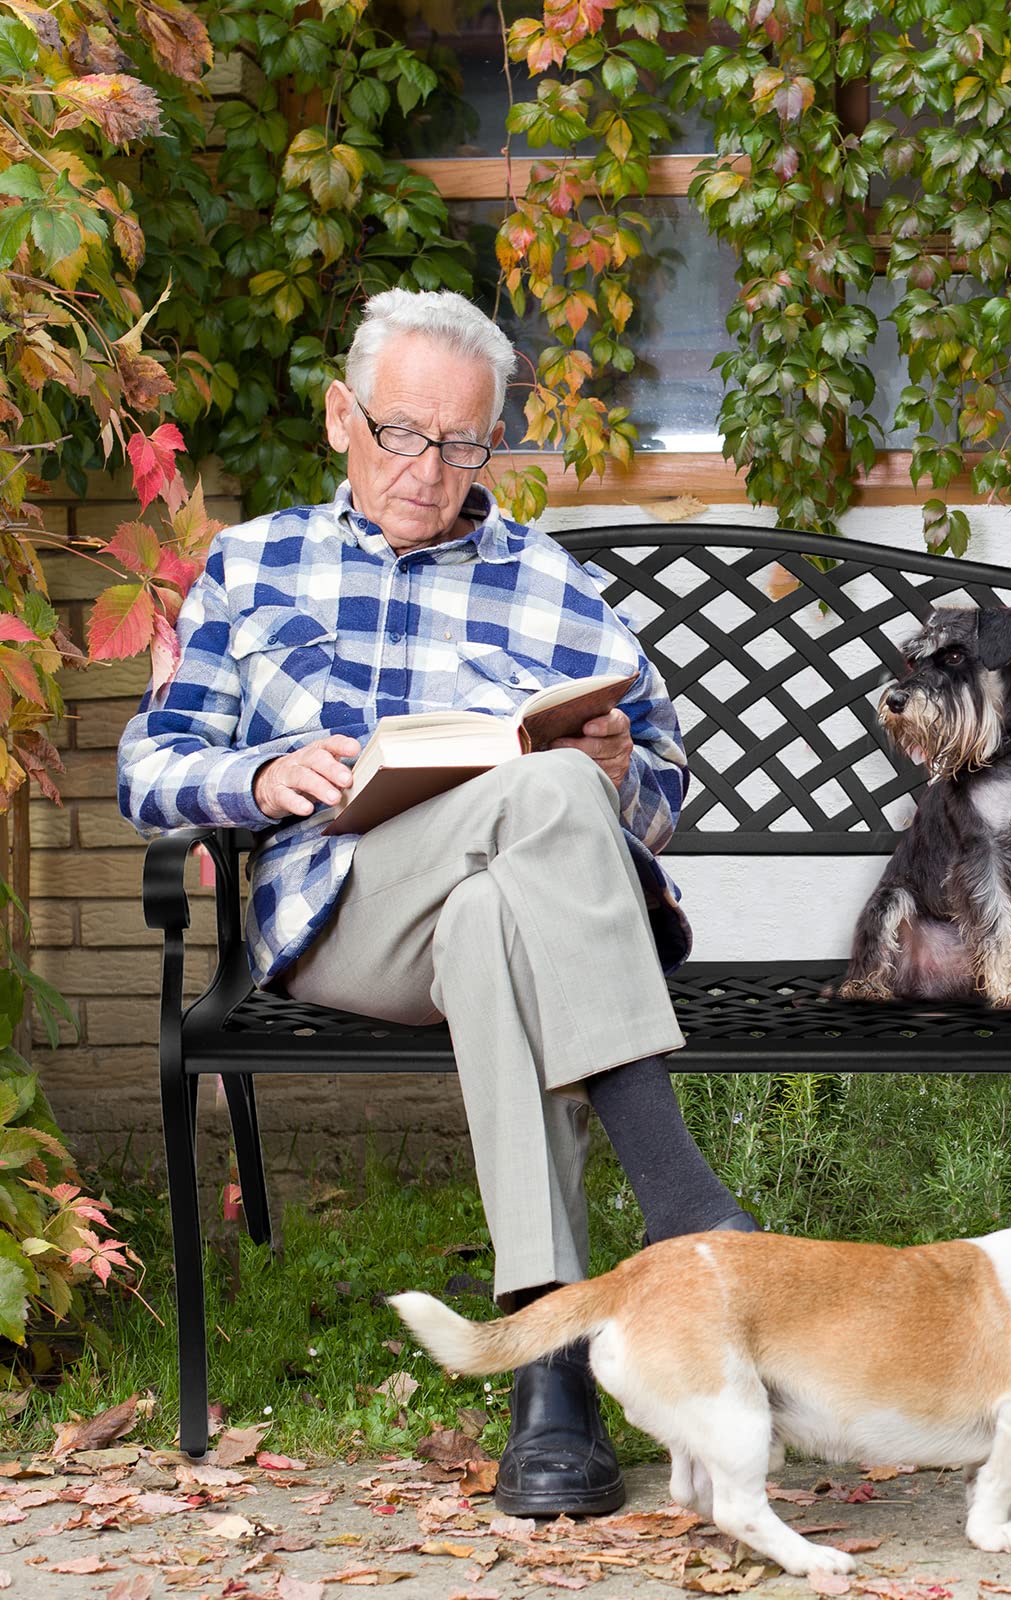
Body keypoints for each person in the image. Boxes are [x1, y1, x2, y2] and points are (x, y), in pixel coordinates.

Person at [118, 288, 754, 1518]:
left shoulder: (552, 584)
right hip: (339, 912)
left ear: (493, 442)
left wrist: (621, 773)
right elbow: (148, 768)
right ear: (340, 418)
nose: (429, 469)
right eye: (403, 433)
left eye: (464, 443)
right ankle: (683, 1201)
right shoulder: (253, 566)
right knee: (548, 795)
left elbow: (662, 794)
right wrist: (257, 777)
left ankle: (549, 1367)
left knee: (502, 906)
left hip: (503, 917)